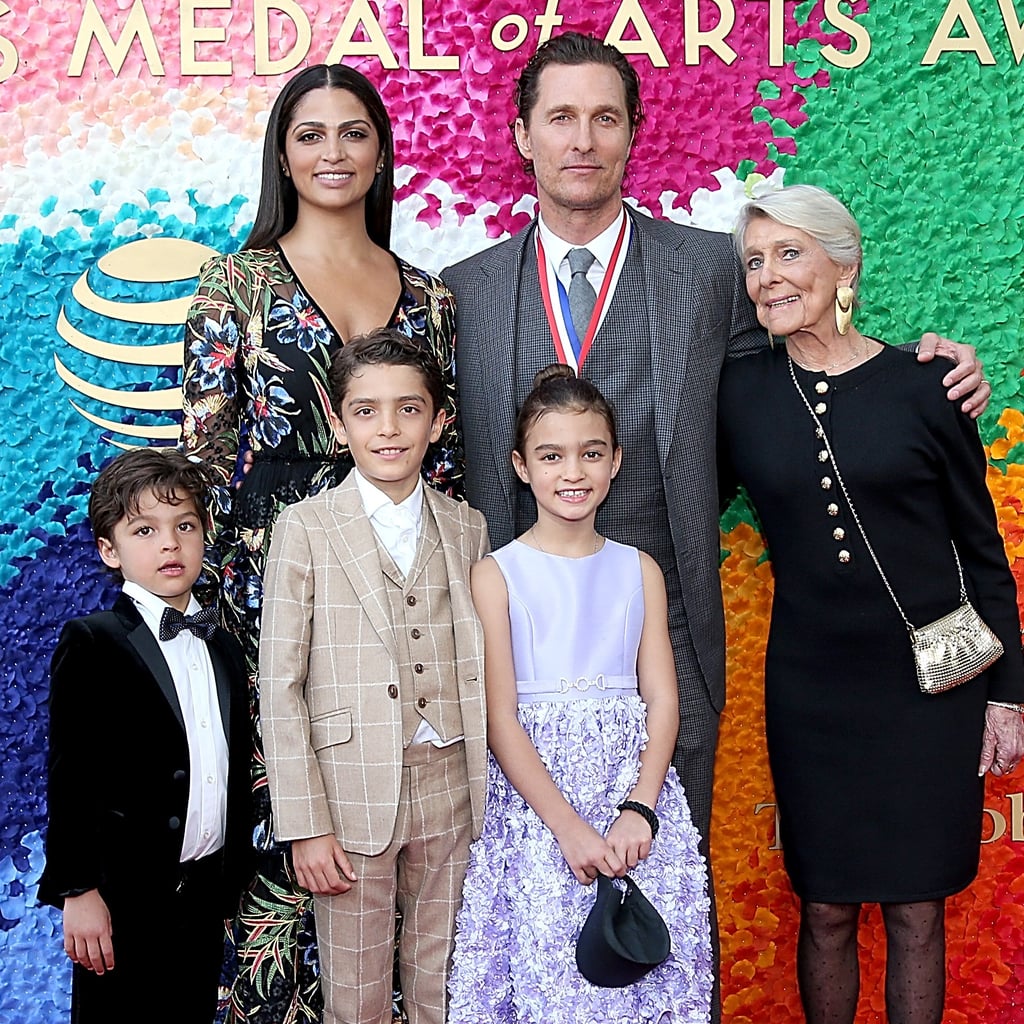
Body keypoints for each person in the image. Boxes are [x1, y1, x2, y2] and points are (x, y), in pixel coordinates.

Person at [441, 33, 988, 1016]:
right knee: (528, 924)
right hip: (512, 669)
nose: (582, 138)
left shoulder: (706, 272)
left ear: (633, 134)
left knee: (657, 924)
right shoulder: (463, 291)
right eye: (559, 116)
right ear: (523, 134)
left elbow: (814, 348)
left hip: (670, 656)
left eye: (604, 116)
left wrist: (929, 367)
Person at [179, 64, 460, 1021]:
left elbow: (448, 467)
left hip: (399, 583)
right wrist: (211, 618)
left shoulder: (430, 296)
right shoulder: (237, 282)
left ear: (382, 152)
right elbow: (207, 459)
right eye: (310, 134)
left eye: (352, 133)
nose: (333, 153)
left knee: (400, 818)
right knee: (290, 815)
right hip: (272, 583)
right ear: (283, 155)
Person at [717, 183, 1024, 1024]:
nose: (767, 278)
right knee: (823, 908)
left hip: (931, 692)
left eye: (789, 254)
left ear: (843, 264)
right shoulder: (738, 394)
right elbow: (679, 503)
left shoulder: (929, 384)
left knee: (920, 910)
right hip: (812, 693)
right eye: (753, 262)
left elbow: (982, 553)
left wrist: (1008, 694)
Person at [448, 365, 712, 1022]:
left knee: (644, 985)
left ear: (615, 461)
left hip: (636, 808)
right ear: (520, 464)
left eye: (591, 453)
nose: (573, 472)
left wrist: (640, 809)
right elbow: (500, 719)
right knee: (550, 981)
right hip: (539, 820)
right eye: (551, 455)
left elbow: (665, 701)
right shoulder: (495, 574)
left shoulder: (639, 568)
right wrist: (568, 831)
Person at [258, 330, 488, 1024]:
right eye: (366, 411)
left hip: (450, 782)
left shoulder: (467, 525)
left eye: (408, 409)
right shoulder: (304, 527)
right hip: (349, 797)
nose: (388, 429)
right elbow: (280, 683)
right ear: (336, 418)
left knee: (440, 982)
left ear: (439, 420)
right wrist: (304, 824)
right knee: (355, 996)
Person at [38, 447, 251, 1024]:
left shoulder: (224, 647)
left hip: (203, 899)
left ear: (205, 535)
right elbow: (71, 772)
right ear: (109, 550)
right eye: (144, 530)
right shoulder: (93, 641)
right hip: (119, 903)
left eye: (185, 526)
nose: (169, 543)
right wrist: (78, 890)